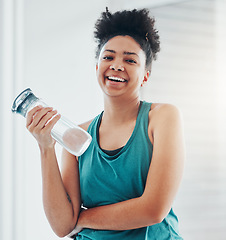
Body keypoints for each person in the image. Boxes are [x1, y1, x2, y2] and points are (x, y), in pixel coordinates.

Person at [26, 8, 185, 240]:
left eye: (130, 60)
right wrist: (46, 147)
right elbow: (62, 226)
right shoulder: (77, 134)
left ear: (145, 75)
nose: (117, 65)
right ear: (97, 67)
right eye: (108, 57)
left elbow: (154, 209)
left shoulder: (162, 117)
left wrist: (82, 219)